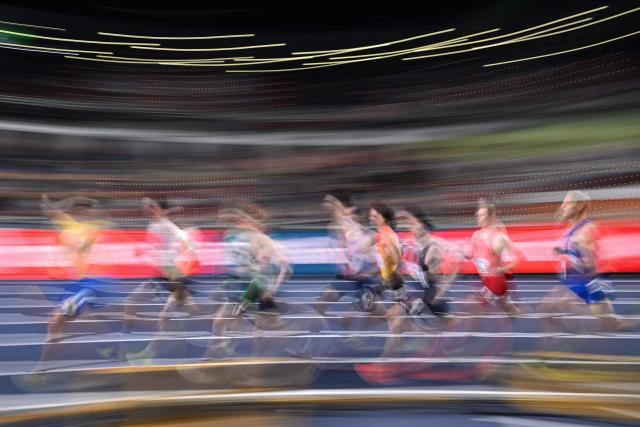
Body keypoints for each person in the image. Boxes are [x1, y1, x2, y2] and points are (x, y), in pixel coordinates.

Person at [205, 205, 291, 358]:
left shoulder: (267, 241)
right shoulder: (246, 237)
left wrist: (273, 289)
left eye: (251, 222)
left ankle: (265, 358)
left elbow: (285, 268)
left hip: (261, 289)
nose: (247, 224)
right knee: (221, 321)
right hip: (247, 286)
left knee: (262, 330)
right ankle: (215, 352)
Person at [35, 194, 110, 370]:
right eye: (78, 208)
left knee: (56, 320)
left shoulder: (95, 227)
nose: (81, 211)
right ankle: (111, 345)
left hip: (91, 283)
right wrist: (52, 202)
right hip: (75, 284)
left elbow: (85, 245)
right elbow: (50, 212)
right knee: (82, 319)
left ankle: (41, 369)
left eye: (85, 208)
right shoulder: (72, 225)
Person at [540, 190, 628, 333]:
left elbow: (591, 264)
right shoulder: (573, 230)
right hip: (576, 280)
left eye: (567, 203)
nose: (562, 207)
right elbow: (579, 255)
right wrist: (564, 253)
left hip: (590, 284)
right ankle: (547, 348)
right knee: (547, 310)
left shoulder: (587, 230)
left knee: (613, 325)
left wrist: (570, 296)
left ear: (579, 206)